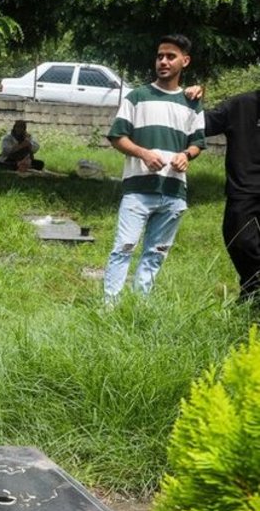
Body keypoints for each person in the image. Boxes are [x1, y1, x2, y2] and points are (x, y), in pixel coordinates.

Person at [102, 34, 205, 303]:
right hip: (138, 189)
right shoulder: (137, 97)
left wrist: (186, 155)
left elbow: (197, 143)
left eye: (171, 56)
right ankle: (109, 308)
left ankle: (139, 306)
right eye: (160, 56)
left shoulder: (192, 101)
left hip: (173, 192)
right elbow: (117, 137)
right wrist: (143, 153)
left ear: (185, 60)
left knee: (156, 252)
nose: (163, 61)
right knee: (123, 248)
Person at [194, 87, 260, 307]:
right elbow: (202, 123)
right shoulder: (241, 105)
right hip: (244, 191)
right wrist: (187, 100)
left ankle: (251, 299)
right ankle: (253, 293)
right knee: (240, 242)